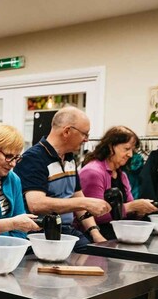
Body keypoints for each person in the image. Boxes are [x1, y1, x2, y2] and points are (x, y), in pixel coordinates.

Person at [14, 106, 109, 248]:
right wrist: (85, 203)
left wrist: (95, 233)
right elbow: (36, 204)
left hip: (66, 231)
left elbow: (77, 197)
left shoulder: (70, 158)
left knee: (99, 255)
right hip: (41, 234)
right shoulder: (33, 158)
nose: (86, 140)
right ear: (67, 131)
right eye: (85, 134)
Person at [79, 125, 158, 239]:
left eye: (132, 150)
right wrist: (131, 207)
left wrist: (140, 210)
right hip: (96, 235)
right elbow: (93, 216)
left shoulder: (122, 175)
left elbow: (128, 210)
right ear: (111, 147)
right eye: (126, 149)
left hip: (117, 233)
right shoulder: (93, 172)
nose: (130, 154)